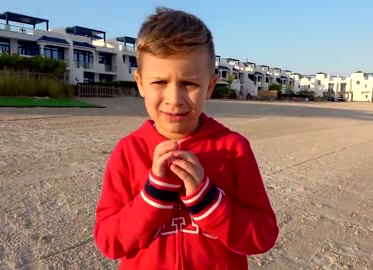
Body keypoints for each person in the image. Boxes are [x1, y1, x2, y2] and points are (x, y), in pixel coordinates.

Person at [93, 7, 279, 270]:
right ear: (140, 83)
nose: (174, 99)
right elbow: (109, 242)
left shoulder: (233, 148)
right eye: (159, 82)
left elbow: (263, 236)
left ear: (210, 86)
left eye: (189, 84)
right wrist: (152, 197)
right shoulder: (128, 151)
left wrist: (209, 200)